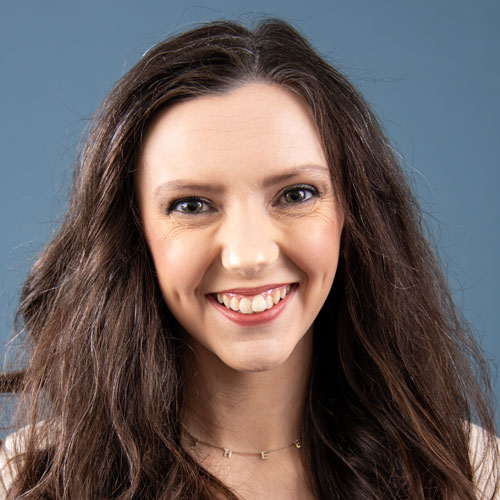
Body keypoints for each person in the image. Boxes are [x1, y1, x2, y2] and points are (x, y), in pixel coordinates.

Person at [0, 18, 498, 499]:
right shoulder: (30, 478)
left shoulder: (470, 470)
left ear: (352, 211)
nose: (250, 256)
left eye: (297, 194)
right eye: (192, 205)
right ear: (135, 233)